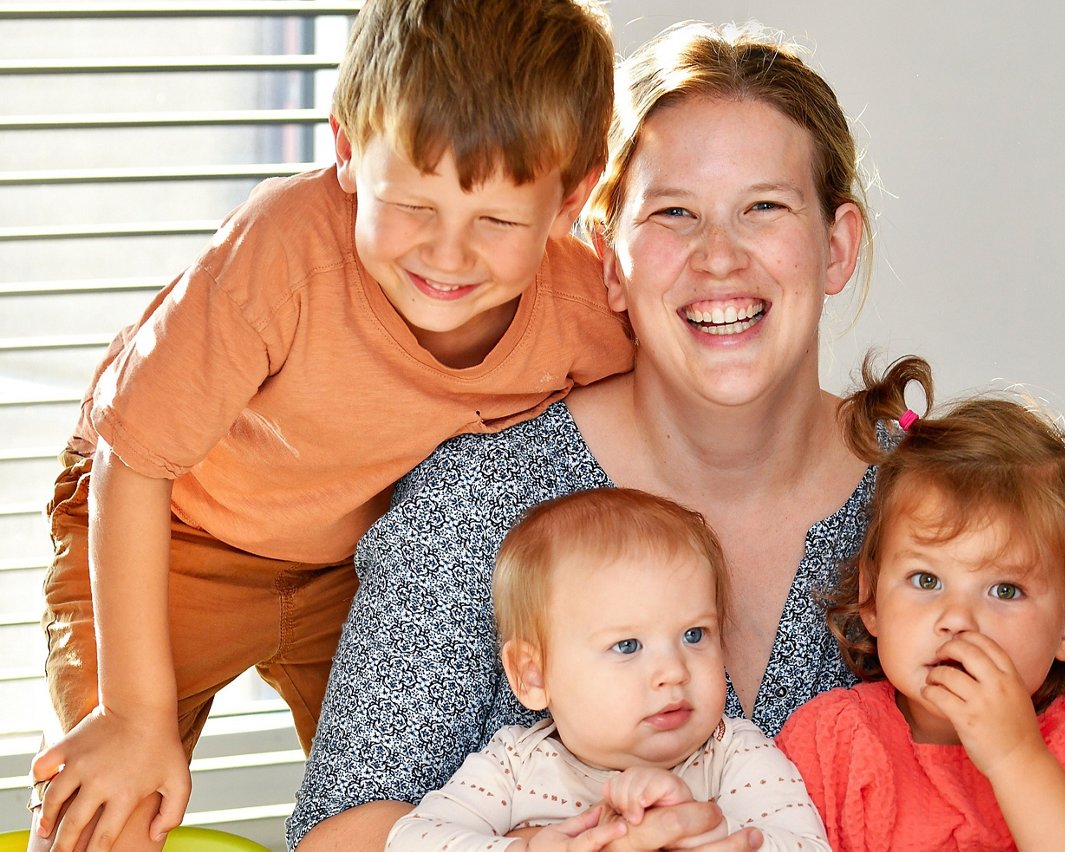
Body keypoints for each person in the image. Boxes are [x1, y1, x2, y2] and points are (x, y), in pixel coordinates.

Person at [29, 2, 632, 850]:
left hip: (351, 573)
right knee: (112, 804)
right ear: (347, 151)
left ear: (574, 197)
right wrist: (133, 713)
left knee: (417, 810)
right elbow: (134, 459)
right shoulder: (282, 253)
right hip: (172, 532)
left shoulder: (580, 308)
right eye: (412, 205)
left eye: (494, 221)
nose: (446, 256)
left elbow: (648, 436)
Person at [290, 20, 875, 852]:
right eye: (674, 213)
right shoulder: (478, 501)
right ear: (607, 259)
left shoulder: (945, 505)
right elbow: (334, 836)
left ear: (835, 246)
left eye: (764, 208)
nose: (718, 259)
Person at [775, 355, 1065, 851]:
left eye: (1005, 591)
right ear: (871, 598)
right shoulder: (833, 742)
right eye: (925, 579)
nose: (957, 619)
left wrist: (1016, 758)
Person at [387, 488, 830, 851]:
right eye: (627, 645)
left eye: (694, 635)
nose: (673, 672)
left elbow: (810, 846)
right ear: (533, 675)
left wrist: (710, 832)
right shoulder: (514, 765)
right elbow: (411, 839)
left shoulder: (735, 754)